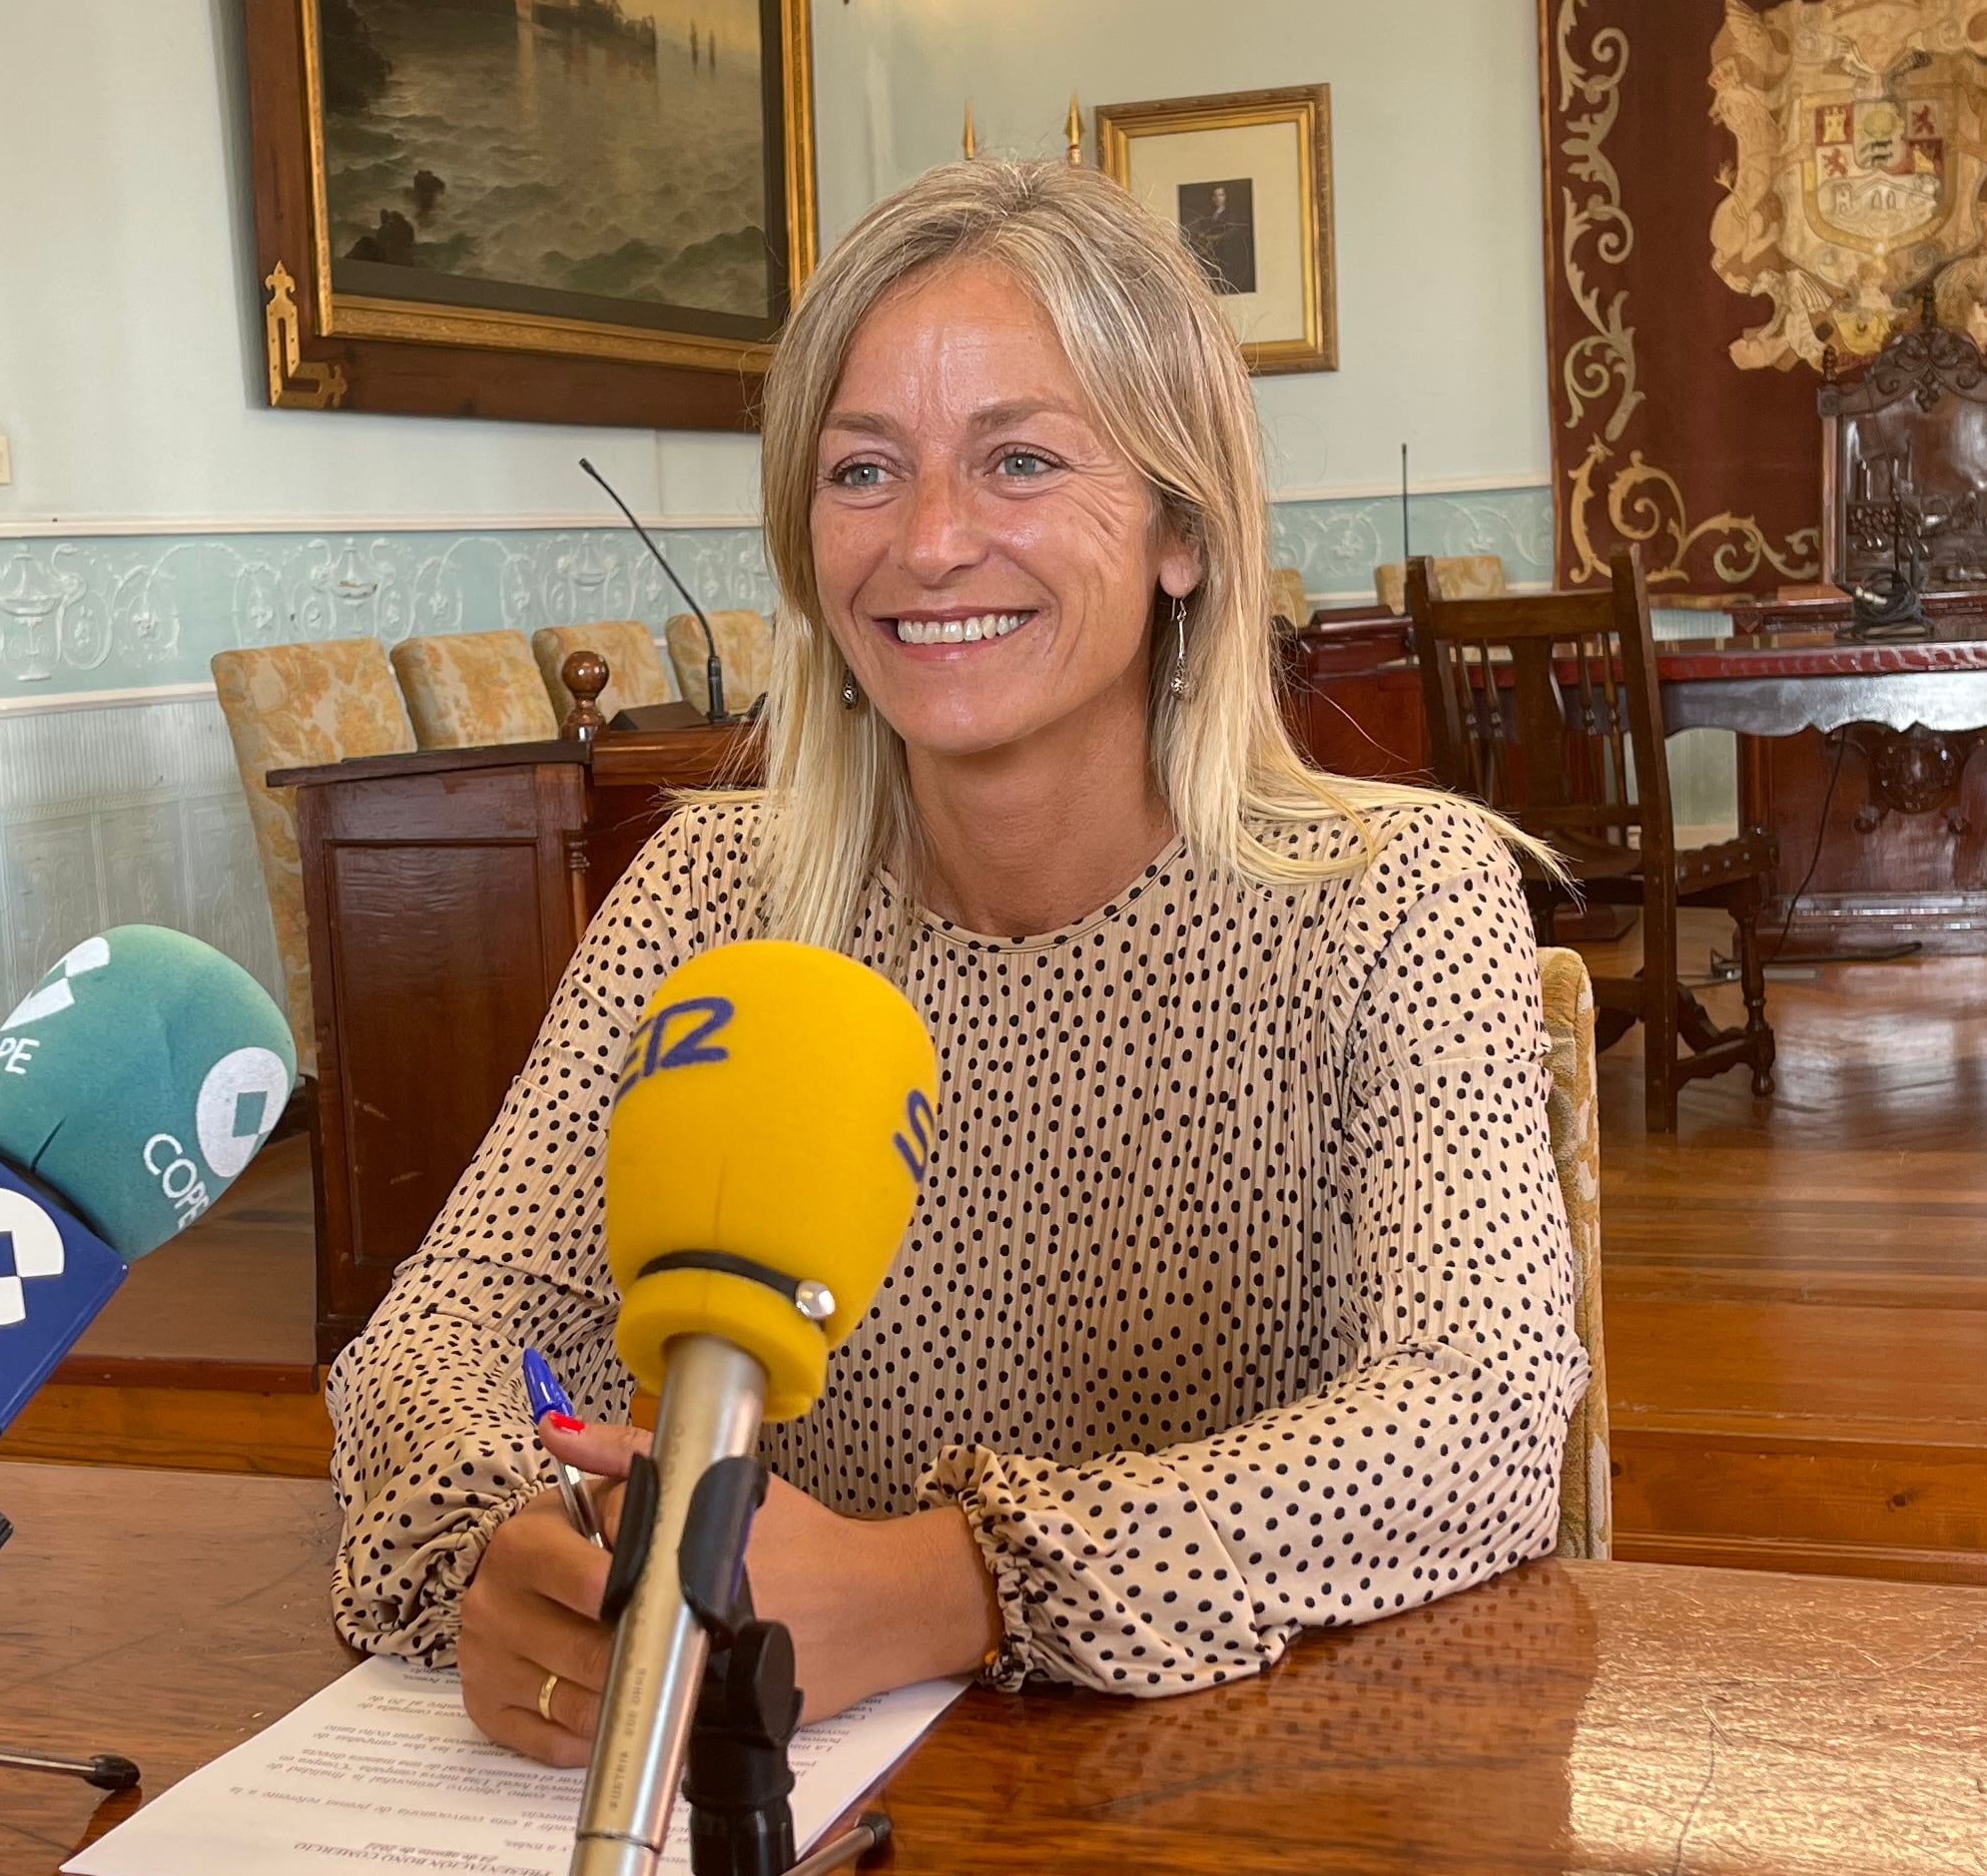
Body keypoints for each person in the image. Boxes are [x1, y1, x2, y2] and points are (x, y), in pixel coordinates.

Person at [325, 158, 1586, 1760]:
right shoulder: (716, 896)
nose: (928, 544)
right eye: (864, 472)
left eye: (1021, 460)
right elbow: (440, 1334)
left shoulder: (1399, 896)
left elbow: (1476, 1425)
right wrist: (502, 1548)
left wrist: (951, 1586)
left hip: (1256, 1803)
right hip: (781, 1836)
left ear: (1182, 529)